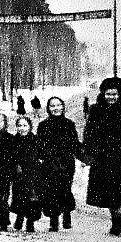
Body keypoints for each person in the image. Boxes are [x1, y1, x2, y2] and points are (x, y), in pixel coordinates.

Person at [82, 76, 121, 235]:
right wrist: (88, 152)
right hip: (103, 156)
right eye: (108, 94)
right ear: (103, 94)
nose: (111, 97)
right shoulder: (96, 110)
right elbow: (89, 132)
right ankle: (115, 218)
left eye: (114, 94)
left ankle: (118, 219)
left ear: (120, 94)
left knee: (120, 189)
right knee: (108, 190)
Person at [37, 96, 83, 231]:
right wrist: (44, 156)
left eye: (58, 105)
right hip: (49, 163)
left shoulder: (69, 124)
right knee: (51, 191)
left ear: (63, 107)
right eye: (52, 106)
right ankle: (53, 220)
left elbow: (75, 144)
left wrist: (84, 156)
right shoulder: (43, 125)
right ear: (48, 108)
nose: (55, 108)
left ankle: (67, 213)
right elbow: (39, 145)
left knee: (65, 189)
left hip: (66, 163)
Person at [9, 116, 42, 232]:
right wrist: (15, 165)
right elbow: (10, 156)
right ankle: (19, 218)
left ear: (30, 127)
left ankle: (30, 222)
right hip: (19, 175)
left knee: (32, 199)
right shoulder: (14, 140)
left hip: (33, 174)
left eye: (24, 126)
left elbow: (41, 154)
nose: (22, 128)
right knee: (19, 197)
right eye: (19, 126)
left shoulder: (35, 139)